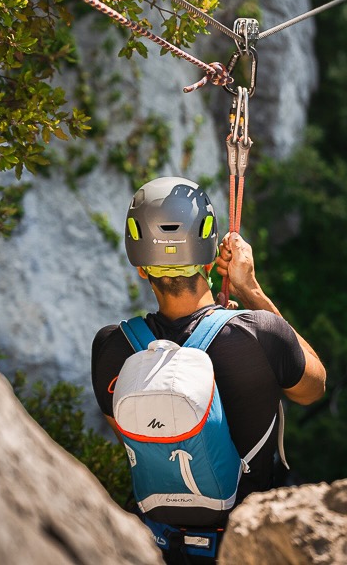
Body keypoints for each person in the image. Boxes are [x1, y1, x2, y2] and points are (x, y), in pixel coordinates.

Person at [91, 176, 326, 563]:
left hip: (160, 547)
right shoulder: (258, 333)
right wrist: (251, 289)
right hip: (244, 545)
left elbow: (137, 439)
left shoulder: (111, 348)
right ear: (206, 258)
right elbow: (313, 387)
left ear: (141, 268)